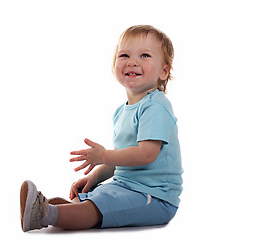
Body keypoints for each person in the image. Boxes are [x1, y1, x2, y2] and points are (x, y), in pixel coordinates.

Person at [20, 25, 183, 232]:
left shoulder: (156, 107)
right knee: (88, 200)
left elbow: (146, 154)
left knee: (96, 208)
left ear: (164, 71)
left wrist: (103, 155)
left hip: (155, 197)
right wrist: (94, 177)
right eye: (124, 55)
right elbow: (122, 158)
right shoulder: (121, 112)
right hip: (127, 187)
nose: (132, 62)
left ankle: (45, 214)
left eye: (144, 55)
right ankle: (42, 208)